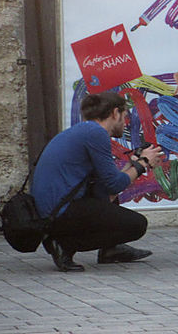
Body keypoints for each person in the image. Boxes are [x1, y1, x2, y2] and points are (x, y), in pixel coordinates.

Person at [31, 92, 164, 272]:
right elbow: (115, 185)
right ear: (115, 113)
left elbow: (109, 184)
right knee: (137, 225)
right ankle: (63, 243)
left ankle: (111, 249)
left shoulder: (85, 131)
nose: (126, 123)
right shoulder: (97, 134)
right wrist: (143, 163)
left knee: (105, 194)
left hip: (53, 209)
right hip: (58, 212)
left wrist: (134, 163)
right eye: (125, 116)